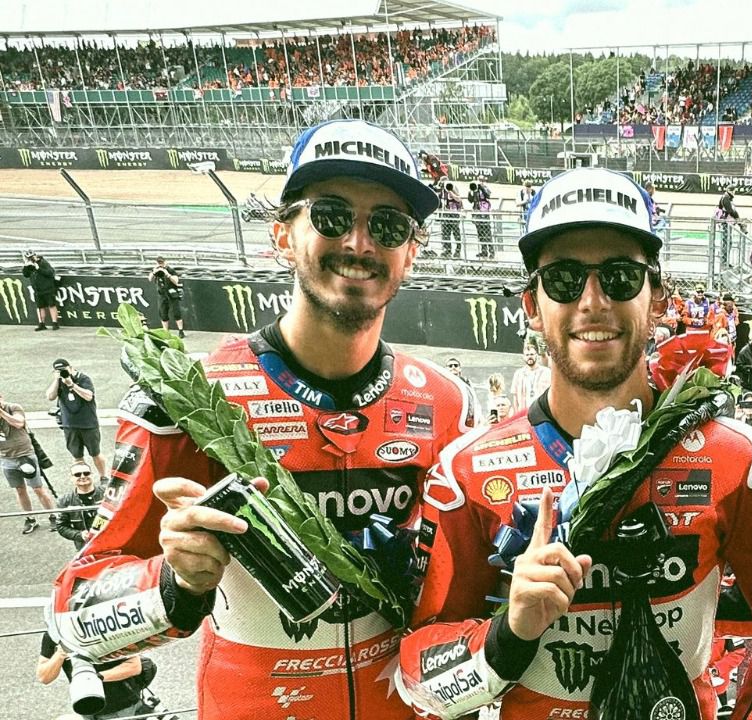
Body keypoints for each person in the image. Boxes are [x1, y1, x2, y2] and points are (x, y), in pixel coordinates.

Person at [47, 118, 474, 719]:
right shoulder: (187, 398)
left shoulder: (449, 403)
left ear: (411, 252)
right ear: (282, 236)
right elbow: (72, 608)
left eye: (387, 225)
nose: (359, 243)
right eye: (330, 215)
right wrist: (174, 580)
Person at [395, 167, 752, 719]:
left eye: (621, 277)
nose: (593, 301)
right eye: (564, 279)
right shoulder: (467, 471)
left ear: (658, 299)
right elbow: (417, 672)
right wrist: (508, 634)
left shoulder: (741, 460)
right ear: (532, 306)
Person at [37, 631, 170, 720]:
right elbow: (44, 677)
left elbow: (134, 666)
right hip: (87, 709)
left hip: (122, 707)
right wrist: (60, 654)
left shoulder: (110, 627)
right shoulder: (56, 634)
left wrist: (95, 678)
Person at [1, 390, 57, 534]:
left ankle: (53, 516)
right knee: (19, 489)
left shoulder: (13, 408)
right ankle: (30, 518)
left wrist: (1, 412)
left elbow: (19, 423)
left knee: (37, 488)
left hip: (25, 455)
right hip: (7, 458)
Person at [46, 359, 107, 479]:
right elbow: (50, 396)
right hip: (70, 425)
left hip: (88, 424)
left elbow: (89, 396)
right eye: (58, 371)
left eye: (64, 370)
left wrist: (72, 385)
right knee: (76, 455)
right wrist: (57, 380)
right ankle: (81, 477)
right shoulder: (59, 382)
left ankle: (103, 476)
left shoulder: (83, 378)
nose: (62, 372)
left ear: (71, 368)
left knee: (95, 453)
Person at [54, 460, 102, 551]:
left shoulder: (107, 493)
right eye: (77, 474)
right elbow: (61, 526)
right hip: (86, 547)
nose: (83, 476)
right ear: (72, 478)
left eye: (86, 473)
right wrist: (79, 535)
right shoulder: (65, 501)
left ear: (92, 475)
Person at [21, 250, 60, 331]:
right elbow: (26, 275)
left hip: (48, 288)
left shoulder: (43, 262)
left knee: (51, 305)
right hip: (37, 290)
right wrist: (25, 266)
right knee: (40, 307)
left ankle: (55, 323)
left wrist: (38, 268)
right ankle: (41, 323)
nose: (31, 259)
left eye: (31, 257)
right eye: (29, 258)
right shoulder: (29, 265)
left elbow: (50, 273)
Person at [510, 343, 552, 413]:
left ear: (536, 355)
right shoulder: (518, 374)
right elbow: (515, 396)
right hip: (523, 412)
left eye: (532, 354)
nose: (529, 357)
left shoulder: (546, 372)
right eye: (527, 355)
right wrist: (516, 413)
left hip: (541, 412)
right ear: (523, 357)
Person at [149, 257, 185, 337]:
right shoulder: (155, 270)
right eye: (159, 263)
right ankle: (166, 332)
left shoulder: (170, 270)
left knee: (176, 313)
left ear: (165, 262)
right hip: (162, 295)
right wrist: (154, 272)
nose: (160, 265)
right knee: (163, 314)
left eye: (161, 263)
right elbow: (150, 279)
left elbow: (176, 281)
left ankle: (181, 331)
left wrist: (167, 274)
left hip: (172, 294)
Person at [437, 182, 465, 258]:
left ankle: (458, 250)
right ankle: (447, 250)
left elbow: (459, 199)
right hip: (445, 214)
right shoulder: (442, 192)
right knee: (446, 234)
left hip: (454, 214)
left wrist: (450, 191)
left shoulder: (453, 189)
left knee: (456, 233)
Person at [469, 180, 494, 258]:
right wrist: (471, 191)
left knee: (487, 233)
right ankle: (484, 251)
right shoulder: (474, 190)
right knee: (480, 233)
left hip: (484, 213)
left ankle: (491, 252)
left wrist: (482, 188)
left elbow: (488, 196)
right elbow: (470, 200)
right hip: (477, 213)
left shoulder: (485, 188)